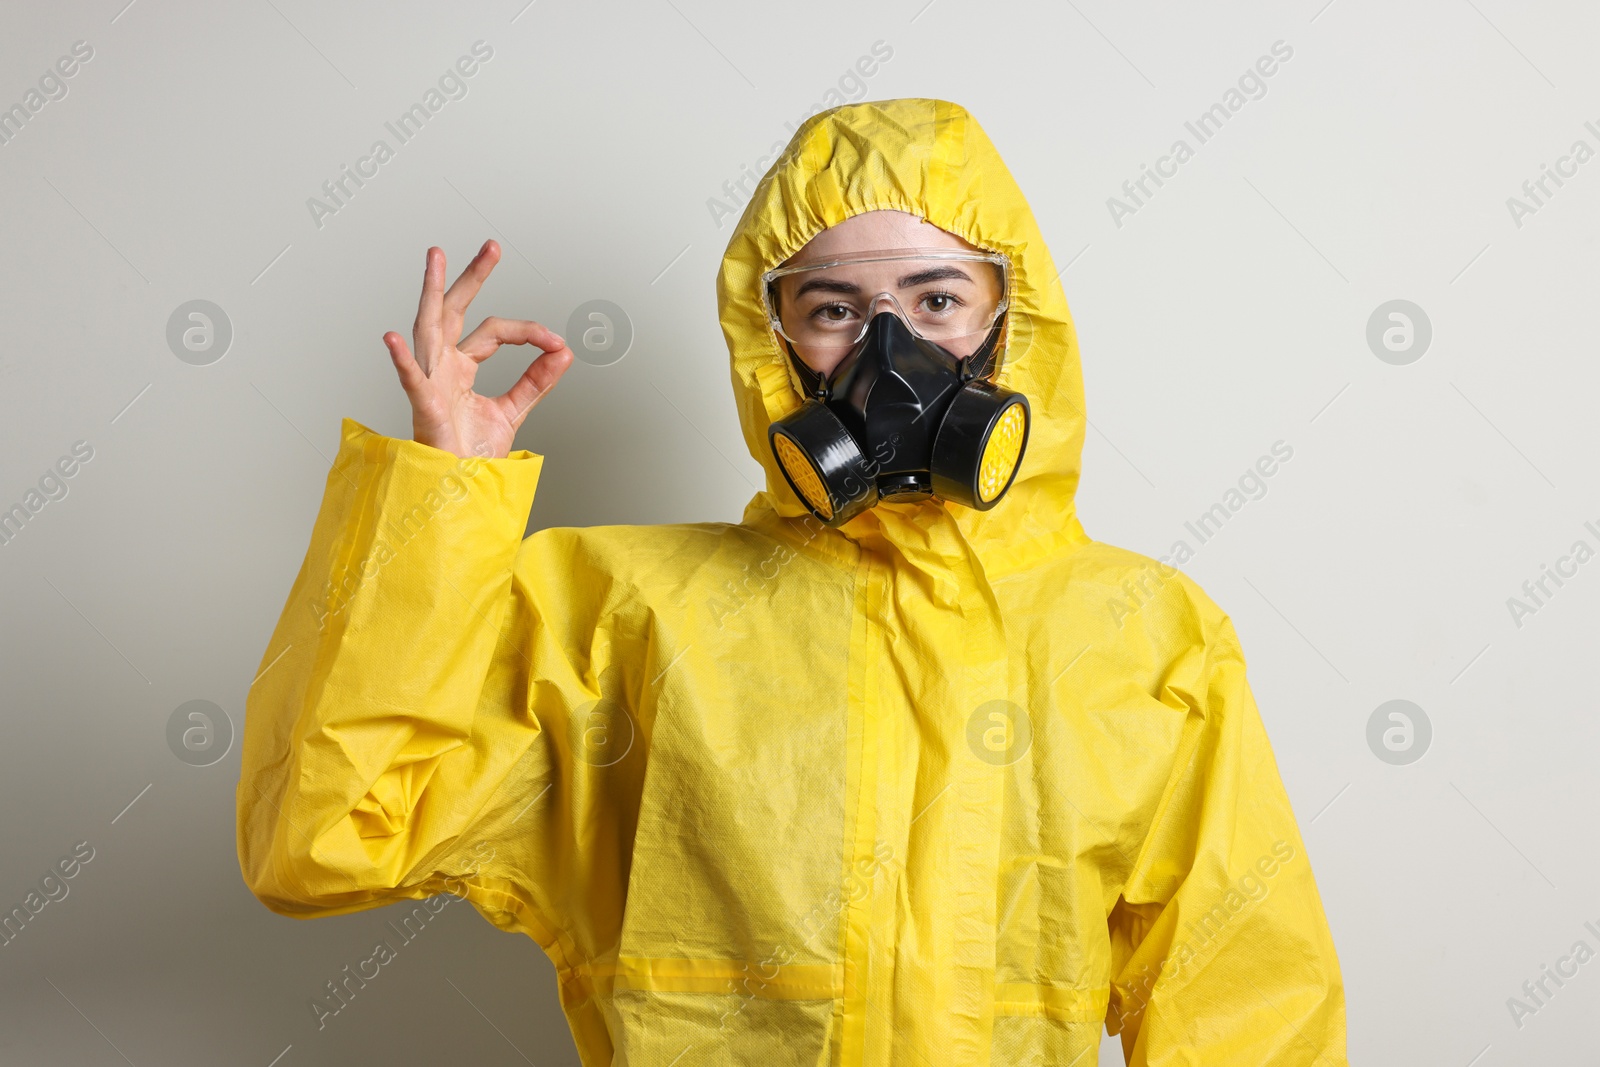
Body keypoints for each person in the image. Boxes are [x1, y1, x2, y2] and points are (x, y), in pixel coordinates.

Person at [236, 97, 1347, 1065]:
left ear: (1013, 324)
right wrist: (442, 495)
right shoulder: (624, 614)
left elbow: (1245, 1013)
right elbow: (326, 838)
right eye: (833, 309)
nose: (888, 349)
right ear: (773, 342)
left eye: (938, 300)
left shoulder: (1146, 635)